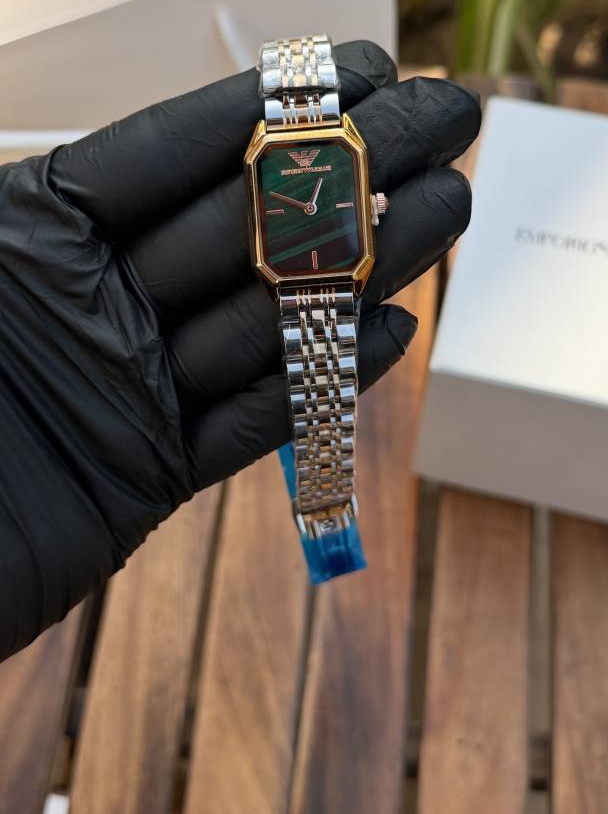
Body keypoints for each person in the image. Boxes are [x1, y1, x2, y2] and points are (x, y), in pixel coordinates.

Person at [0, 40, 480, 662]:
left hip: (311, 274)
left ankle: (328, 523)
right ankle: (327, 522)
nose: (309, 208)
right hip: (290, 275)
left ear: (372, 210)